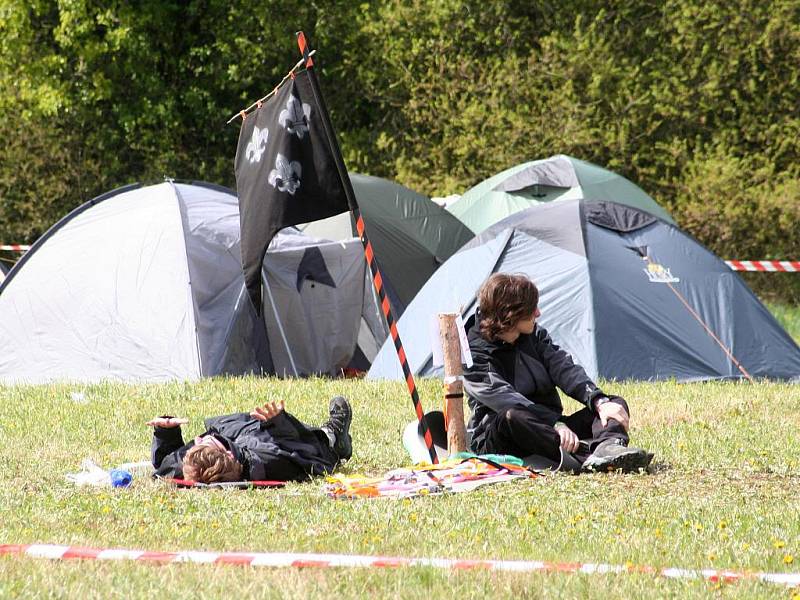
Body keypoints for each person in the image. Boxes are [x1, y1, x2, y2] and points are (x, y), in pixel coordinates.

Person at [463, 273, 653, 473]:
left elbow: (563, 368)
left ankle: (609, 448)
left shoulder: (533, 333)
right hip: (502, 437)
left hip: (552, 428)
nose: (538, 313)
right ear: (510, 315)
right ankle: (589, 457)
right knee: (512, 416)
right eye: (531, 309)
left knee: (614, 402)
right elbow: (508, 400)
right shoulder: (474, 353)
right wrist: (555, 423)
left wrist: (599, 401)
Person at [147, 396, 352, 483]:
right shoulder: (267, 459)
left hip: (245, 436)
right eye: (206, 441)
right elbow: (305, 451)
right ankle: (335, 435)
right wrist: (279, 423)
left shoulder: (191, 462)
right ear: (226, 452)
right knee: (321, 441)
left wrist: (166, 433)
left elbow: (164, 465)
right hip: (288, 442)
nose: (199, 439)